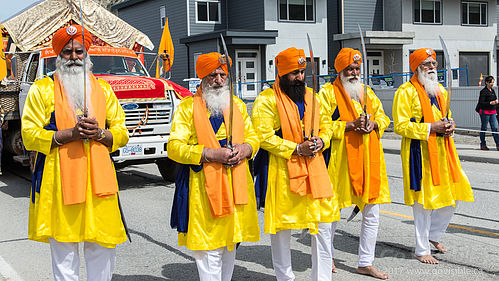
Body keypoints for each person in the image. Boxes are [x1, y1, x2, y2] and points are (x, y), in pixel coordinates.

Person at [21, 25, 129, 281]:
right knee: (64, 248)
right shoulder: (42, 89)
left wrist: (100, 134)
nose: (74, 57)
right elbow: (28, 135)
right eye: (67, 52)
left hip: (99, 185)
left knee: (102, 246)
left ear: (87, 54)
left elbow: (122, 132)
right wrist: (70, 134)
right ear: (58, 56)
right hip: (60, 183)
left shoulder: (103, 90)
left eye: (79, 51)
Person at [168, 52, 260, 281]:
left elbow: (253, 136)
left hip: (236, 183)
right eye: (213, 75)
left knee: (230, 244)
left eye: (222, 74)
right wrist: (209, 153)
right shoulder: (187, 108)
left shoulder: (237, 104)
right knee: (209, 247)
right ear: (202, 78)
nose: (219, 79)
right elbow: (174, 147)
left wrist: (246, 149)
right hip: (202, 188)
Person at [252, 47, 337, 281]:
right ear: (281, 75)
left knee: (323, 225)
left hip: (316, 169)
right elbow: (263, 135)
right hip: (282, 172)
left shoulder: (312, 96)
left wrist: (322, 140)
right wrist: (296, 148)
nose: (300, 77)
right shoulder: (267, 99)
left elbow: (326, 125)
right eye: (294, 73)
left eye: (302, 71)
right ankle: (285, 278)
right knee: (282, 229)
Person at [392, 48, 474, 264]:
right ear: (416, 68)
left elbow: (446, 117)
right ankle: (421, 249)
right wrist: (430, 128)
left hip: (444, 149)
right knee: (422, 202)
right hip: (419, 152)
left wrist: (450, 126)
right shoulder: (405, 91)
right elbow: (400, 126)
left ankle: (433, 235)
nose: (431, 68)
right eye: (426, 64)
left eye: (433, 64)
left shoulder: (440, 91)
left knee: (455, 194)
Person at [317, 48, 391, 280]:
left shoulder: (366, 91)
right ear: (339, 70)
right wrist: (349, 125)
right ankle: (325, 256)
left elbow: (384, 117)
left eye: (357, 68)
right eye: (349, 69)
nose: (354, 72)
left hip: (369, 160)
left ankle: (365, 262)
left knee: (372, 212)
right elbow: (320, 125)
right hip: (339, 162)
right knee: (332, 212)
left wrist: (374, 124)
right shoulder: (327, 93)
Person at [477, 75, 499, 150]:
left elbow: (495, 100)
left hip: (493, 112)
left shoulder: (493, 91)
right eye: (490, 82)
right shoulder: (483, 92)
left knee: (495, 128)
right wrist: (490, 103)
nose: (492, 84)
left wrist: (495, 103)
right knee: (484, 128)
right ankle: (483, 144)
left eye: (493, 82)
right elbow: (481, 103)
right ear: (486, 82)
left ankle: (498, 145)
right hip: (485, 112)